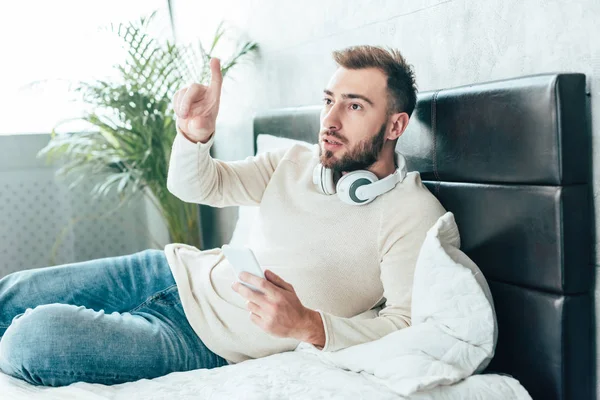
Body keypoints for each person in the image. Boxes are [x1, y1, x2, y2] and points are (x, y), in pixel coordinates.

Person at [0, 45, 446, 387]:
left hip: (201, 341)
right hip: (168, 271)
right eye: (328, 101)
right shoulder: (292, 161)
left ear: (396, 126)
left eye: (353, 106)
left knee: (33, 339)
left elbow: (407, 327)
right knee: (12, 291)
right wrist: (195, 136)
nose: (329, 119)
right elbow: (198, 185)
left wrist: (310, 325)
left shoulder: (412, 214)